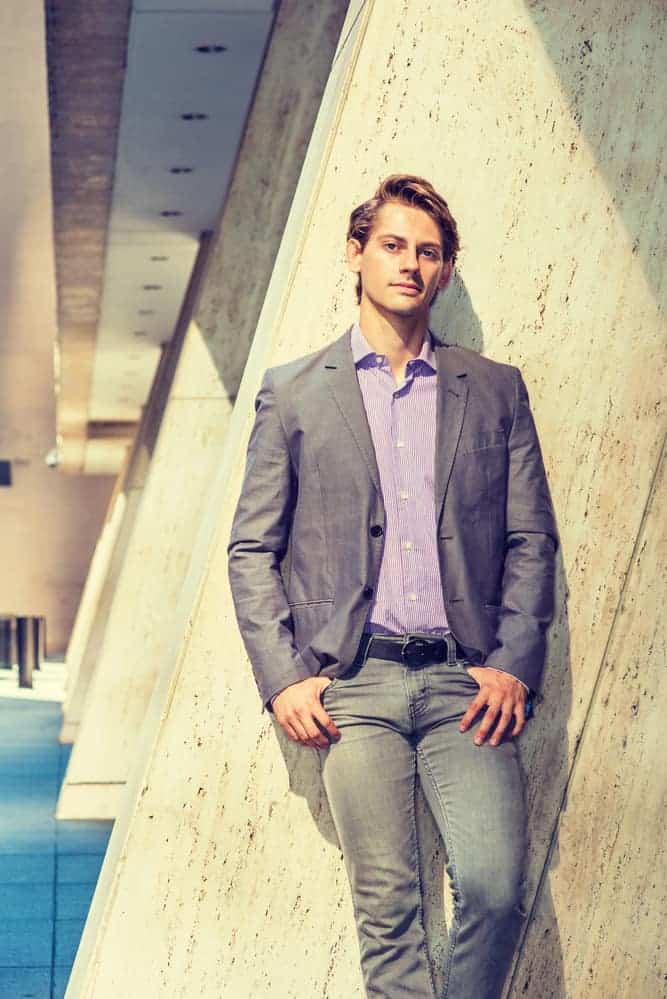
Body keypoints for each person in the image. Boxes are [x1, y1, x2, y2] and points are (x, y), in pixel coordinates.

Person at [228, 174, 558, 998]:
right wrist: (283, 678)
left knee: (492, 886)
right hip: (353, 685)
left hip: (465, 682)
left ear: (443, 270)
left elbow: (530, 537)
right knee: (388, 916)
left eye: (428, 251)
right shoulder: (295, 390)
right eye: (392, 245)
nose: (409, 263)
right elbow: (250, 547)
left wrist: (514, 661)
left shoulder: (492, 388)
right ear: (356, 252)